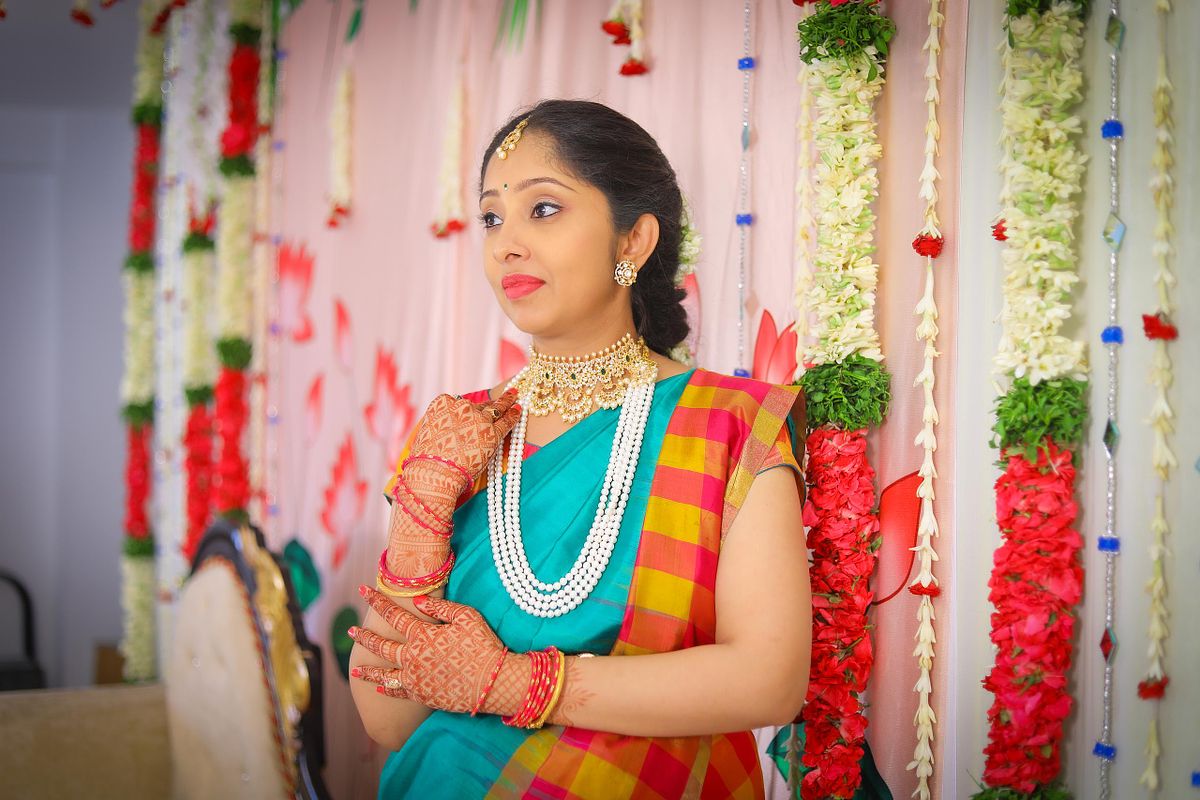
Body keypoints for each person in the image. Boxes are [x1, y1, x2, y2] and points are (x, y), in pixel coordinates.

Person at [347, 99, 812, 799]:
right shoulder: (456, 434)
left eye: (543, 209)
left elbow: (769, 681)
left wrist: (515, 683)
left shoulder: (730, 425)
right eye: (492, 217)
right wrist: (421, 510)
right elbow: (386, 717)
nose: (506, 244)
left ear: (633, 241)